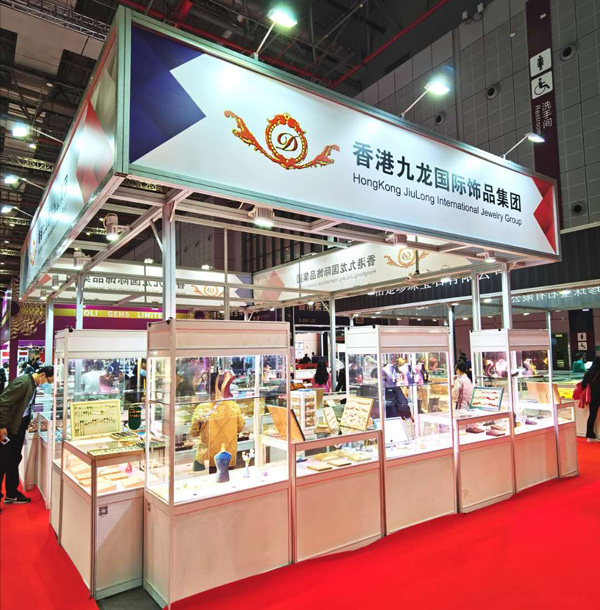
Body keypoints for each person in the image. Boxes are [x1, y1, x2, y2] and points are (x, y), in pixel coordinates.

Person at [0, 365, 54, 510]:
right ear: (43, 375)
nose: (47, 384)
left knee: (14, 459)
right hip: (9, 428)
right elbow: (3, 402)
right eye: (48, 381)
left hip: (19, 426)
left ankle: (11, 493)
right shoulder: (23, 382)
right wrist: (2, 425)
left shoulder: (33, 384)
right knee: (2, 462)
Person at [581, 357, 600, 443]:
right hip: (598, 396)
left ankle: (590, 434)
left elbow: (583, 385)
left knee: (592, 415)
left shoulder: (589, 373)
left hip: (591, 397)